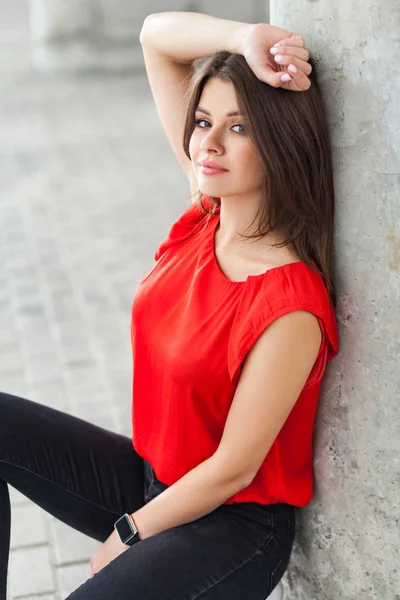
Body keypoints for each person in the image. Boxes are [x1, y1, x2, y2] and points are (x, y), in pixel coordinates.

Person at [0, 11, 339, 600]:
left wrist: (129, 535)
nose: (207, 143)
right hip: (154, 477)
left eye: (238, 128)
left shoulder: (289, 303)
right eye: (204, 120)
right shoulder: (204, 217)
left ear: (280, 145)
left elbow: (233, 468)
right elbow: (155, 36)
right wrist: (240, 39)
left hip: (232, 525)